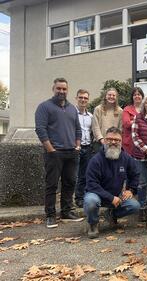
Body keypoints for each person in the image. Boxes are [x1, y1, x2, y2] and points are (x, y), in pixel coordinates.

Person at [35, 78, 83, 228]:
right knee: (52, 185)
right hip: (54, 153)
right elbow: (41, 130)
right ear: (53, 89)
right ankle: (50, 215)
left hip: (71, 152)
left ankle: (66, 212)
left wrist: (77, 146)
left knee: (70, 183)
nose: (61, 91)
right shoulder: (44, 107)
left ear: (67, 90)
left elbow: (77, 129)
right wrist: (51, 150)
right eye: (59, 89)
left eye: (64, 89)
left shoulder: (71, 108)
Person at [84, 127, 141, 238]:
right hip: (96, 194)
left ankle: (111, 214)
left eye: (117, 140)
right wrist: (111, 198)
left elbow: (135, 174)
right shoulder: (95, 160)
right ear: (104, 140)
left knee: (134, 205)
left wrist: (131, 190)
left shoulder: (126, 158)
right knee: (91, 202)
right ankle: (93, 223)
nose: (113, 142)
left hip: (116, 197)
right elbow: (91, 184)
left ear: (121, 141)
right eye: (110, 139)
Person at [74, 89, 93, 208]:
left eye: (85, 98)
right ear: (76, 98)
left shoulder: (90, 116)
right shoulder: (71, 113)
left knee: (84, 175)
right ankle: (70, 199)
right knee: (73, 175)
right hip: (75, 148)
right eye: (81, 97)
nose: (83, 100)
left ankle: (80, 198)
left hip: (88, 147)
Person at [122, 87, 144, 155]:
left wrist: (133, 121)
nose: (137, 96)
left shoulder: (146, 109)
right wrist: (141, 121)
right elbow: (126, 124)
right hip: (130, 143)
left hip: (143, 143)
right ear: (132, 97)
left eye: (139, 94)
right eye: (135, 95)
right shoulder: (127, 109)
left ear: (142, 96)